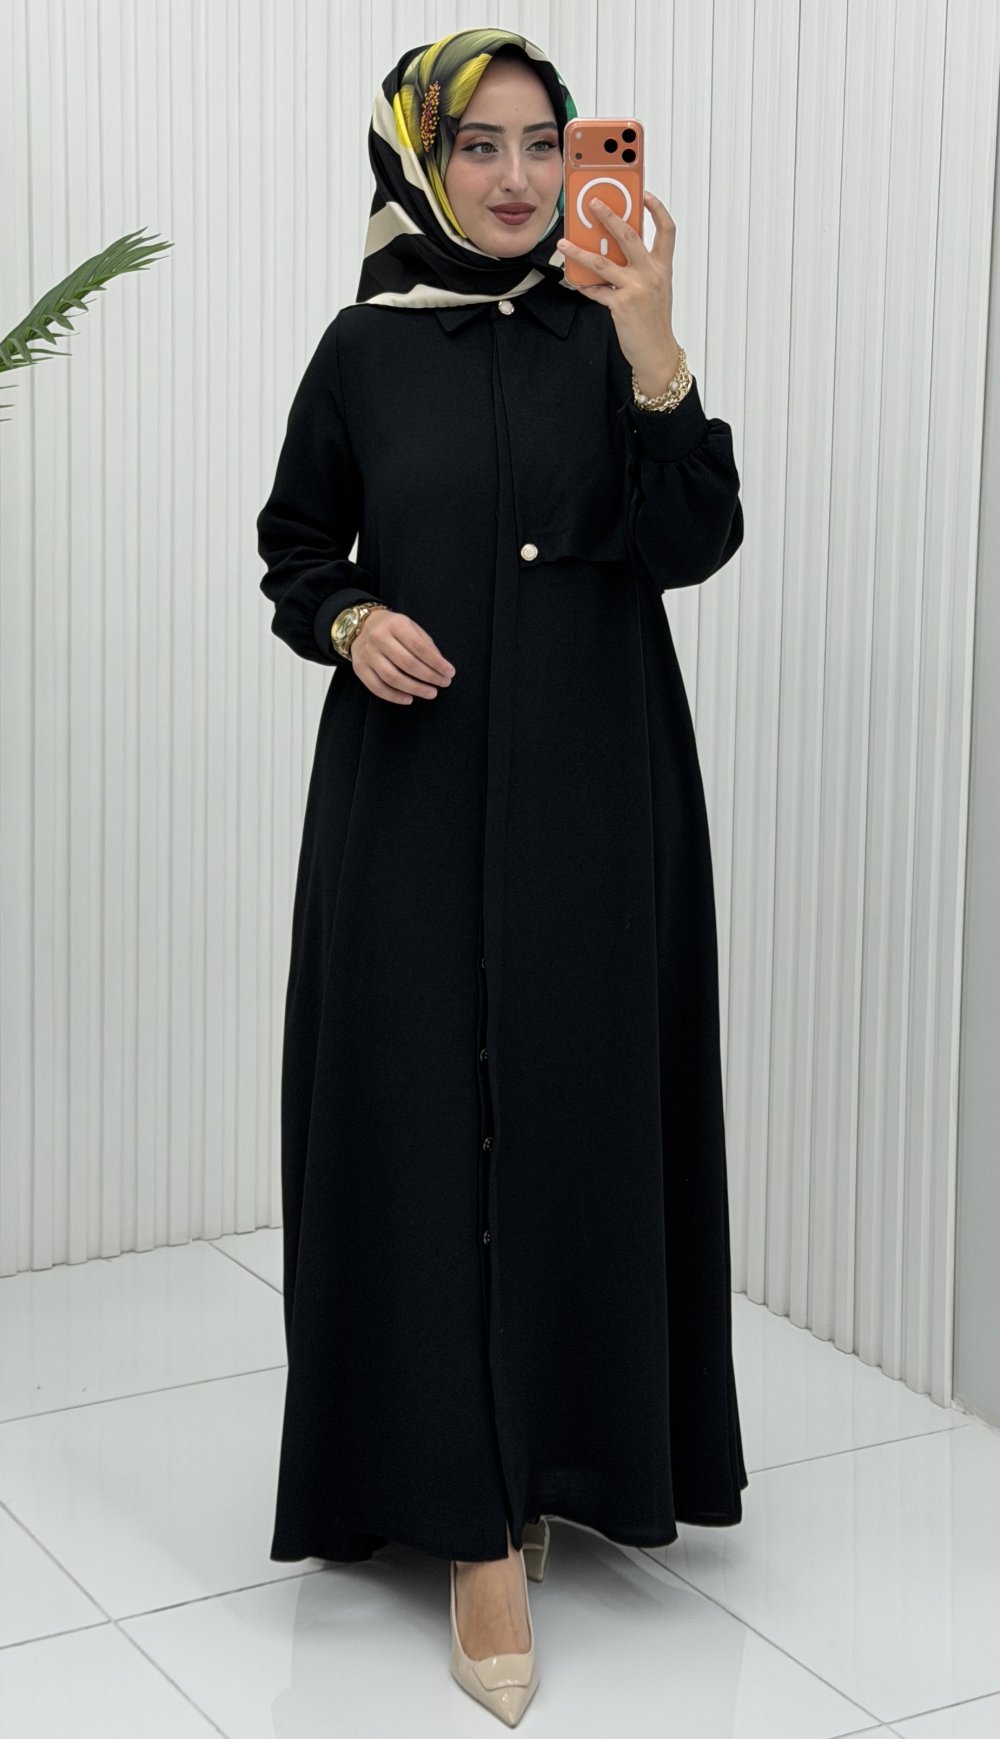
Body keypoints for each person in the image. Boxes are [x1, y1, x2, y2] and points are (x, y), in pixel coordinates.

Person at [256, 26, 748, 1727]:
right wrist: (348, 619)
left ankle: (561, 1450)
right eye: (481, 145)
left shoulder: (614, 333)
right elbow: (295, 549)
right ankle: (467, 1520)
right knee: (411, 1114)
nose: (523, 178)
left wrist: (655, 344)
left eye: (547, 142)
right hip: (407, 790)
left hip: (599, 790)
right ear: (422, 159)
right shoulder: (362, 348)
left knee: (575, 1102)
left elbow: (694, 541)